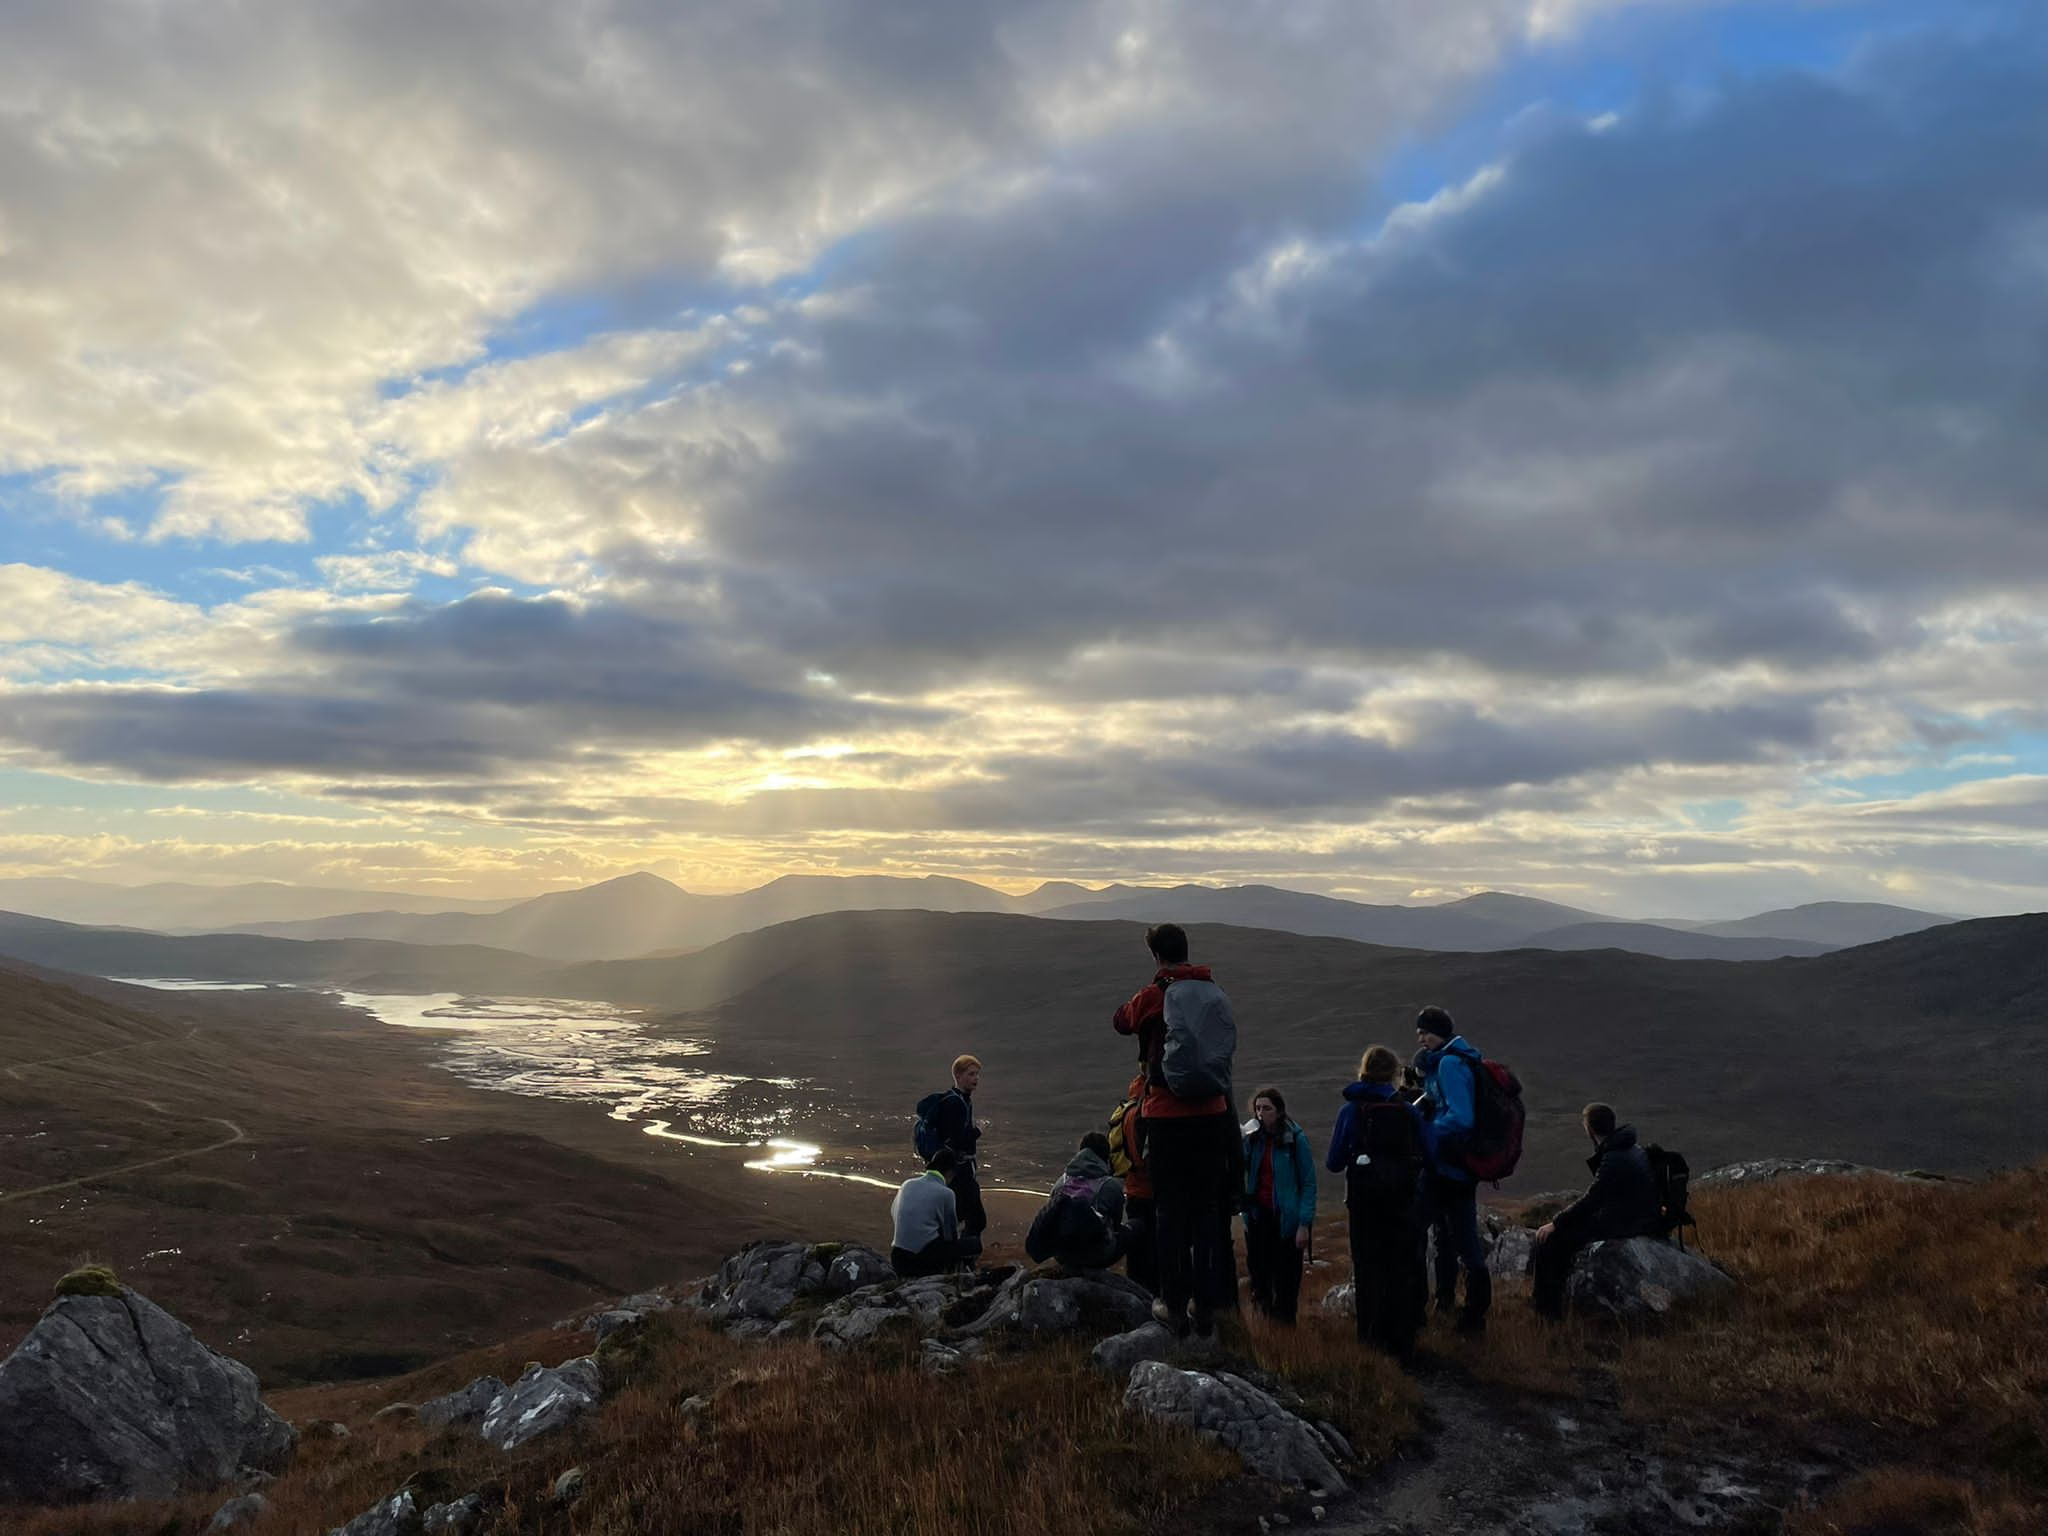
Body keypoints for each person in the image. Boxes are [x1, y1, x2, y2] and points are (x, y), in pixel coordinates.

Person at [1113, 922, 1239, 1338]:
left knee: (1169, 1212)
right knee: (1205, 1212)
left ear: (1157, 956)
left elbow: (1121, 1021)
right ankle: (1206, 1307)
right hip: (1214, 1114)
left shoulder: (1154, 996)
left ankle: (1172, 1303)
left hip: (1166, 1115)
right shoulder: (1214, 991)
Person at [1327, 1046, 1430, 1356]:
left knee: (1368, 1267)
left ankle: (1371, 1341)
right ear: (1394, 1073)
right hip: (1401, 1199)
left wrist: (1357, 1157)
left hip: (1363, 1201)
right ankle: (1402, 1340)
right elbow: (1430, 1152)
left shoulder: (1350, 1111)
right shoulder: (1408, 1110)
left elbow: (1333, 1162)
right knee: (1400, 1266)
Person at [1529, 1103, 1664, 1319]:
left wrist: (1556, 1223)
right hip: (1638, 1215)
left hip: (1627, 1221)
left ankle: (1546, 1310)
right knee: (1566, 1234)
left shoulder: (1613, 1157)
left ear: (1590, 1129)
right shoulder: (1631, 1147)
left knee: (1551, 1241)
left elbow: (1592, 1200)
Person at [1415, 1005, 1491, 1334]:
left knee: (1421, 1230)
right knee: (1449, 1237)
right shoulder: (1456, 1059)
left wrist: (1426, 1131)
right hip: (1456, 1165)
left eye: (1425, 1032)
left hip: (1448, 1166)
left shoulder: (1449, 1063)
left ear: (1439, 1033)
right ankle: (1454, 1307)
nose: (1420, 1038)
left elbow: (1462, 1116)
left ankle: (1462, 1312)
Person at [1241, 1086, 1316, 1323]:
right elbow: (1237, 1166)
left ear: (1279, 1111)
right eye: (1258, 1109)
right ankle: (1265, 1329)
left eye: (1267, 1108)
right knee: (1260, 1279)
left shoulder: (1295, 1139)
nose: (1262, 1114)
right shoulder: (1252, 1140)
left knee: (1286, 1283)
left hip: (1287, 1222)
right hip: (1257, 1217)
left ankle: (1285, 1331)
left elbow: (1308, 1183)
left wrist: (1304, 1223)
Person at [1026, 1132, 1128, 1269]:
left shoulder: (1062, 1181)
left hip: (1061, 1254)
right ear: (1105, 1156)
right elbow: (1116, 1224)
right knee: (1137, 1226)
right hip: (1096, 1255)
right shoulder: (1110, 1185)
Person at [889, 1149, 981, 1278]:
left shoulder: (907, 1184)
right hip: (922, 1260)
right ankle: (956, 1278)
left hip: (898, 1258)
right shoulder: (946, 1193)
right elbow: (950, 1236)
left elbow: (894, 1212)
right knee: (973, 1245)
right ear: (950, 1172)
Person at [929, 1053, 987, 1239]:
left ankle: (956, 1255)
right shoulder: (955, 1103)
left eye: (977, 1074)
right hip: (959, 1170)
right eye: (971, 1074)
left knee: (960, 1215)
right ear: (959, 1076)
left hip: (958, 1169)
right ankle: (962, 1257)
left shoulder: (962, 1100)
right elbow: (957, 1140)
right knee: (975, 1219)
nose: (976, 1078)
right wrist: (978, 1130)